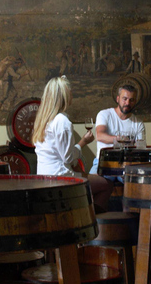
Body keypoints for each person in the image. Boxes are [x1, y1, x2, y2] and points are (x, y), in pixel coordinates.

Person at [32, 77, 112, 212]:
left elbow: (62, 154)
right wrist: (81, 146)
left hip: (43, 178)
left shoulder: (42, 120)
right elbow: (68, 158)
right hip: (61, 178)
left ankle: (84, 212)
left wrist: (82, 143)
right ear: (64, 96)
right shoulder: (62, 121)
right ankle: (91, 221)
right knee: (107, 184)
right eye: (70, 92)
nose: (72, 95)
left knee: (91, 182)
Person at [89, 84, 146, 174]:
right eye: (125, 99)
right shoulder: (104, 114)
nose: (127, 103)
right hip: (103, 162)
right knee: (90, 183)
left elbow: (141, 148)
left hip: (127, 164)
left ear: (135, 101)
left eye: (131, 100)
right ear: (118, 99)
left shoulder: (139, 123)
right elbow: (99, 136)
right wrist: (121, 139)